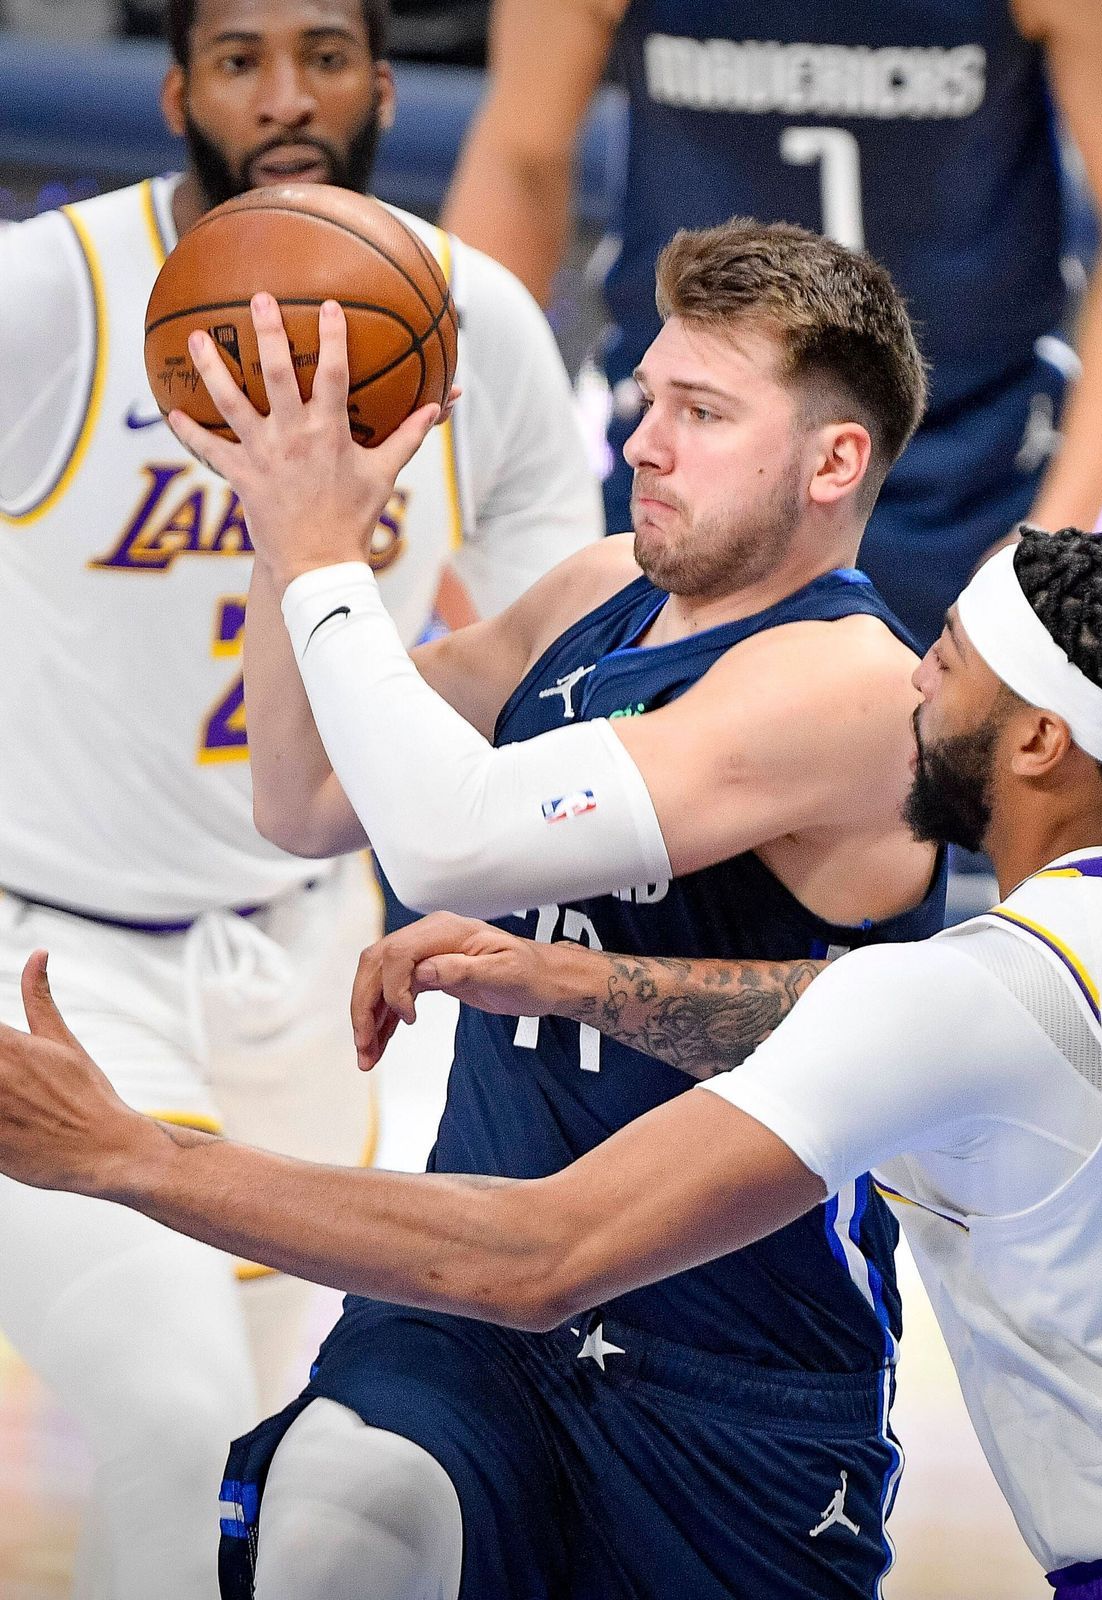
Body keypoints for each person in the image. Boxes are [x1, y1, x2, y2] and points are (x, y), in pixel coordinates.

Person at [0, 530, 1102, 1599]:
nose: (913, 674)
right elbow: (851, 1008)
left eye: (949, 655)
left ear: (1042, 739)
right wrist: (570, 979)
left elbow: (537, 1256)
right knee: (337, 1520)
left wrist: (130, 1156)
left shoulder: (976, 996)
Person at [167, 219, 947, 1597]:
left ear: (834, 462)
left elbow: (452, 843)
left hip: (736, 1365)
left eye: (702, 413)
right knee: (341, 1511)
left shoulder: (851, 684)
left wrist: (330, 557)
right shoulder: (599, 592)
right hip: (466, 1295)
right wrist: (282, 533)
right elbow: (299, 800)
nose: (645, 441)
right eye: (649, 398)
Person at [0, 0, 600, 1594]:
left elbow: (570, 658)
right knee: (175, 1406)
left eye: (326, 54)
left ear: (386, 87)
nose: (286, 95)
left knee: (312, 1450)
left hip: (320, 957)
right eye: (243, 57)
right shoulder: (47, 296)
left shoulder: (470, 321)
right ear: (180, 86)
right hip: (53, 952)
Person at [441, 0, 1102, 648]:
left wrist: (1049, 541)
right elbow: (521, 157)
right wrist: (449, 478)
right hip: (676, 469)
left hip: (962, 492)